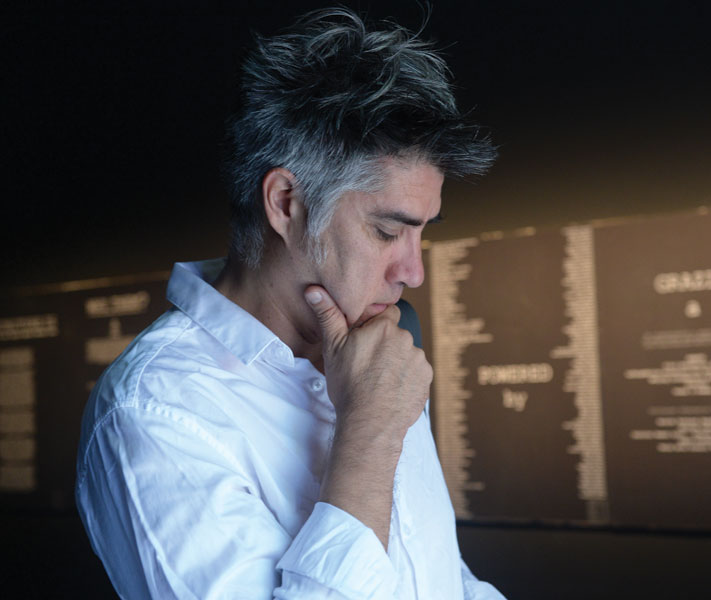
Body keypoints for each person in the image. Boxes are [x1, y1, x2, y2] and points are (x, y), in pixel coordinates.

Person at [76, 7, 503, 599]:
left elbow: (439, 579)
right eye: (387, 231)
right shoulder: (152, 413)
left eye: (422, 232)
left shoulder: (374, 359)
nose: (414, 272)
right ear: (285, 204)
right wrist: (369, 434)